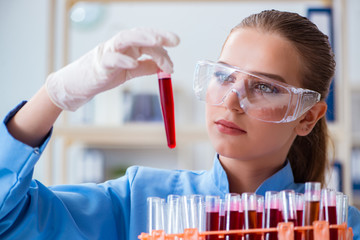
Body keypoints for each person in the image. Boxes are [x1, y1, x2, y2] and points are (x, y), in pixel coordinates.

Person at [0, 9, 359, 240]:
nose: (231, 101)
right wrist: (54, 95)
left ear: (307, 116)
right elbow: (7, 219)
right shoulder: (139, 200)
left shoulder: (338, 225)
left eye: (264, 87)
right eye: (223, 76)